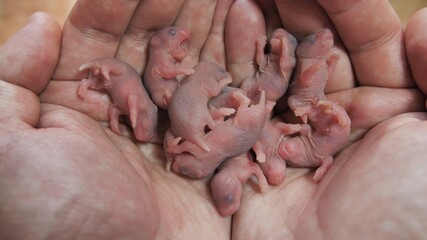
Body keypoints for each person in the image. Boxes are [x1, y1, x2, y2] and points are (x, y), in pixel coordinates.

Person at [0, 0, 426, 239]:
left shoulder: (238, 130)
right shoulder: (226, 128)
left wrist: (260, 128)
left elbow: (258, 145)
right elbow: (252, 144)